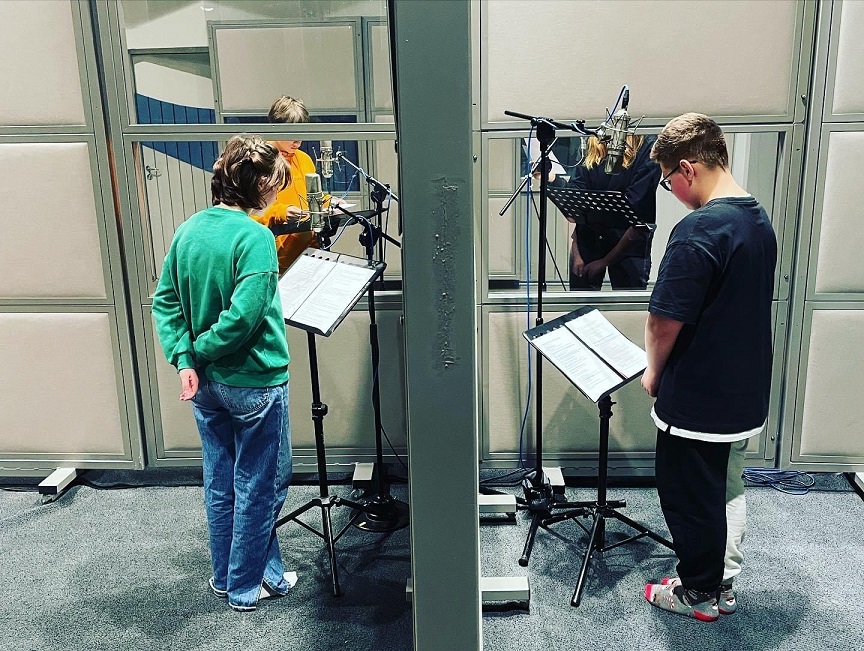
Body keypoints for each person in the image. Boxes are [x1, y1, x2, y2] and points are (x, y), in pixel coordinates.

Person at [152, 134, 297, 612]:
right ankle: (244, 587)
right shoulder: (255, 237)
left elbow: (165, 302)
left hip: (205, 384)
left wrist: (185, 360)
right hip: (254, 380)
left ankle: (238, 575)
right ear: (257, 184)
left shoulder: (189, 229)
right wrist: (198, 351)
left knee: (221, 481)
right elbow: (244, 318)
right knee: (262, 484)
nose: (276, 192)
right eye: (275, 182)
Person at [641, 113, 776, 621]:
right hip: (742, 393)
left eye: (667, 180)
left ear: (687, 168)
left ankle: (697, 593)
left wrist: (654, 373)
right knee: (725, 487)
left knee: (689, 495)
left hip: (700, 398)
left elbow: (663, 322)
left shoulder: (700, 229)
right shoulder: (756, 219)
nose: (670, 190)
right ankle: (722, 584)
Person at [250, 95, 344, 274]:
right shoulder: (260, 161)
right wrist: (281, 212)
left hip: (310, 254)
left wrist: (330, 202)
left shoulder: (304, 159)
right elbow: (251, 213)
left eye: (302, 133)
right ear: (275, 128)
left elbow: (313, 197)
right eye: (292, 134)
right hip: (276, 260)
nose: (298, 141)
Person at [556, 134, 661, 290]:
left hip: (628, 245)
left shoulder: (648, 146)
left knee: (628, 301)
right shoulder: (592, 142)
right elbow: (577, 200)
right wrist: (552, 178)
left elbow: (636, 210)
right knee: (581, 302)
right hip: (588, 241)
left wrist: (604, 261)